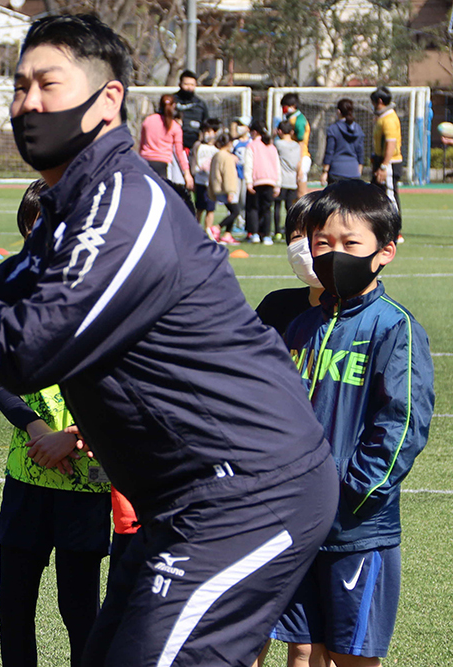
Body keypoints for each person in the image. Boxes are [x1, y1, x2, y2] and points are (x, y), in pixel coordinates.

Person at [0, 14, 337, 667]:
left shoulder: (124, 203)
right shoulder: (72, 210)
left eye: (48, 84)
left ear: (109, 99)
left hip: (248, 494)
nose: (27, 102)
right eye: (19, 86)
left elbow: (24, 351)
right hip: (183, 503)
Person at [270, 179, 434, 667]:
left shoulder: (394, 327)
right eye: (323, 243)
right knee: (304, 650)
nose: (333, 254)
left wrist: (350, 492)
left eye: (350, 244)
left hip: (356, 531)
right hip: (298, 524)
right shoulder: (301, 327)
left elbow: (401, 425)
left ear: (384, 253)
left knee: (353, 657)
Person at [0, 178, 112, 667]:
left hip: (87, 477)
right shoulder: (12, 292)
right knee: (13, 602)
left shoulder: (107, 296)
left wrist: (74, 438)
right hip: (28, 469)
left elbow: (126, 385)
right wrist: (35, 429)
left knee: (79, 606)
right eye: (32, 226)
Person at [255, 193, 322, 336]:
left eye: (319, 237)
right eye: (297, 236)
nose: (306, 246)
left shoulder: (371, 319)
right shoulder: (275, 307)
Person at [370, 86, 404, 243]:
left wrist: (384, 165)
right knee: (376, 195)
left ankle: (396, 231)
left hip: (389, 163)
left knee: (390, 195)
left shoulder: (389, 119)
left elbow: (391, 144)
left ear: (380, 101)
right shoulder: (382, 117)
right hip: (381, 160)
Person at [139, 94, 193, 188]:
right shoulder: (175, 126)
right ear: (174, 106)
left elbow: (141, 144)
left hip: (145, 161)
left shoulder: (148, 120)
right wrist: (187, 172)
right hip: (162, 163)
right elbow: (179, 152)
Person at [244, 119, 281, 245]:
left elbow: (248, 164)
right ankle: (266, 235)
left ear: (254, 132)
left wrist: (248, 181)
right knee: (267, 209)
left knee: (253, 208)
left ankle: (254, 234)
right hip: (270, 180)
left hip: (257, 180)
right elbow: (277, 165)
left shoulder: (252, 145)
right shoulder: (271, 146)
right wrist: (277, 183)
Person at [209, 131, 242, 245]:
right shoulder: (227, 157)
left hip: (217, 187)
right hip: (225, 188)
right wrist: (231, 191)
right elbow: (229, 175)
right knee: (235, 211)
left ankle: (227, 234)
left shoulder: (216, 155)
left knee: (231, 211)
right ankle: (218, 227)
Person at [321, 99, 364, 186]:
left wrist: (325, 171)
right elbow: (360, 152)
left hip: (336, 171)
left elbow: (329, 152)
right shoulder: (358, 129)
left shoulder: (333, 128)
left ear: (338, 111)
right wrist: (359, 169)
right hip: (354, 171)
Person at [191, 117, 221, 230]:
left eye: (209, 131)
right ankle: (196, 229)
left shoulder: (217, 147)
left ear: (215, 132)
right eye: (205, 131)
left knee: (210, 208)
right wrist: (194, 175)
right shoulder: (198, 145)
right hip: (200, 181)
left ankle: (208, 230)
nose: (206, 134)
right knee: (199, 207)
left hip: (211, 183)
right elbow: (193, 162)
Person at [274, 121, 301, 240]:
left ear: (279, 131)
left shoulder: (278, 144)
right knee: (290, 207)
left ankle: (276, 231)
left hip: (281, 180)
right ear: (291, 131)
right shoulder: (297, 146)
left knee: (277, 206)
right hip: (293, 181)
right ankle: (290, 230)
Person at [281, 93, 311, 196]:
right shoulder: (289, 118)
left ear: (292, 106)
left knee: (300, 192)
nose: (283, 109)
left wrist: (300, 164)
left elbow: (301, 143)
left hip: (301, 156)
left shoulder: (299, 120)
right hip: (293, 156)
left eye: (285, 106)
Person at [174, 69, 208, 152]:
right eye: (186, 84)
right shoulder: (172, 101)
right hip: (173, 144)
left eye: (192, 85)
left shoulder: (200, 104)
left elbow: (206, 125)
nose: (189, 87)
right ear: (180, 84)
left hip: (194, 146)